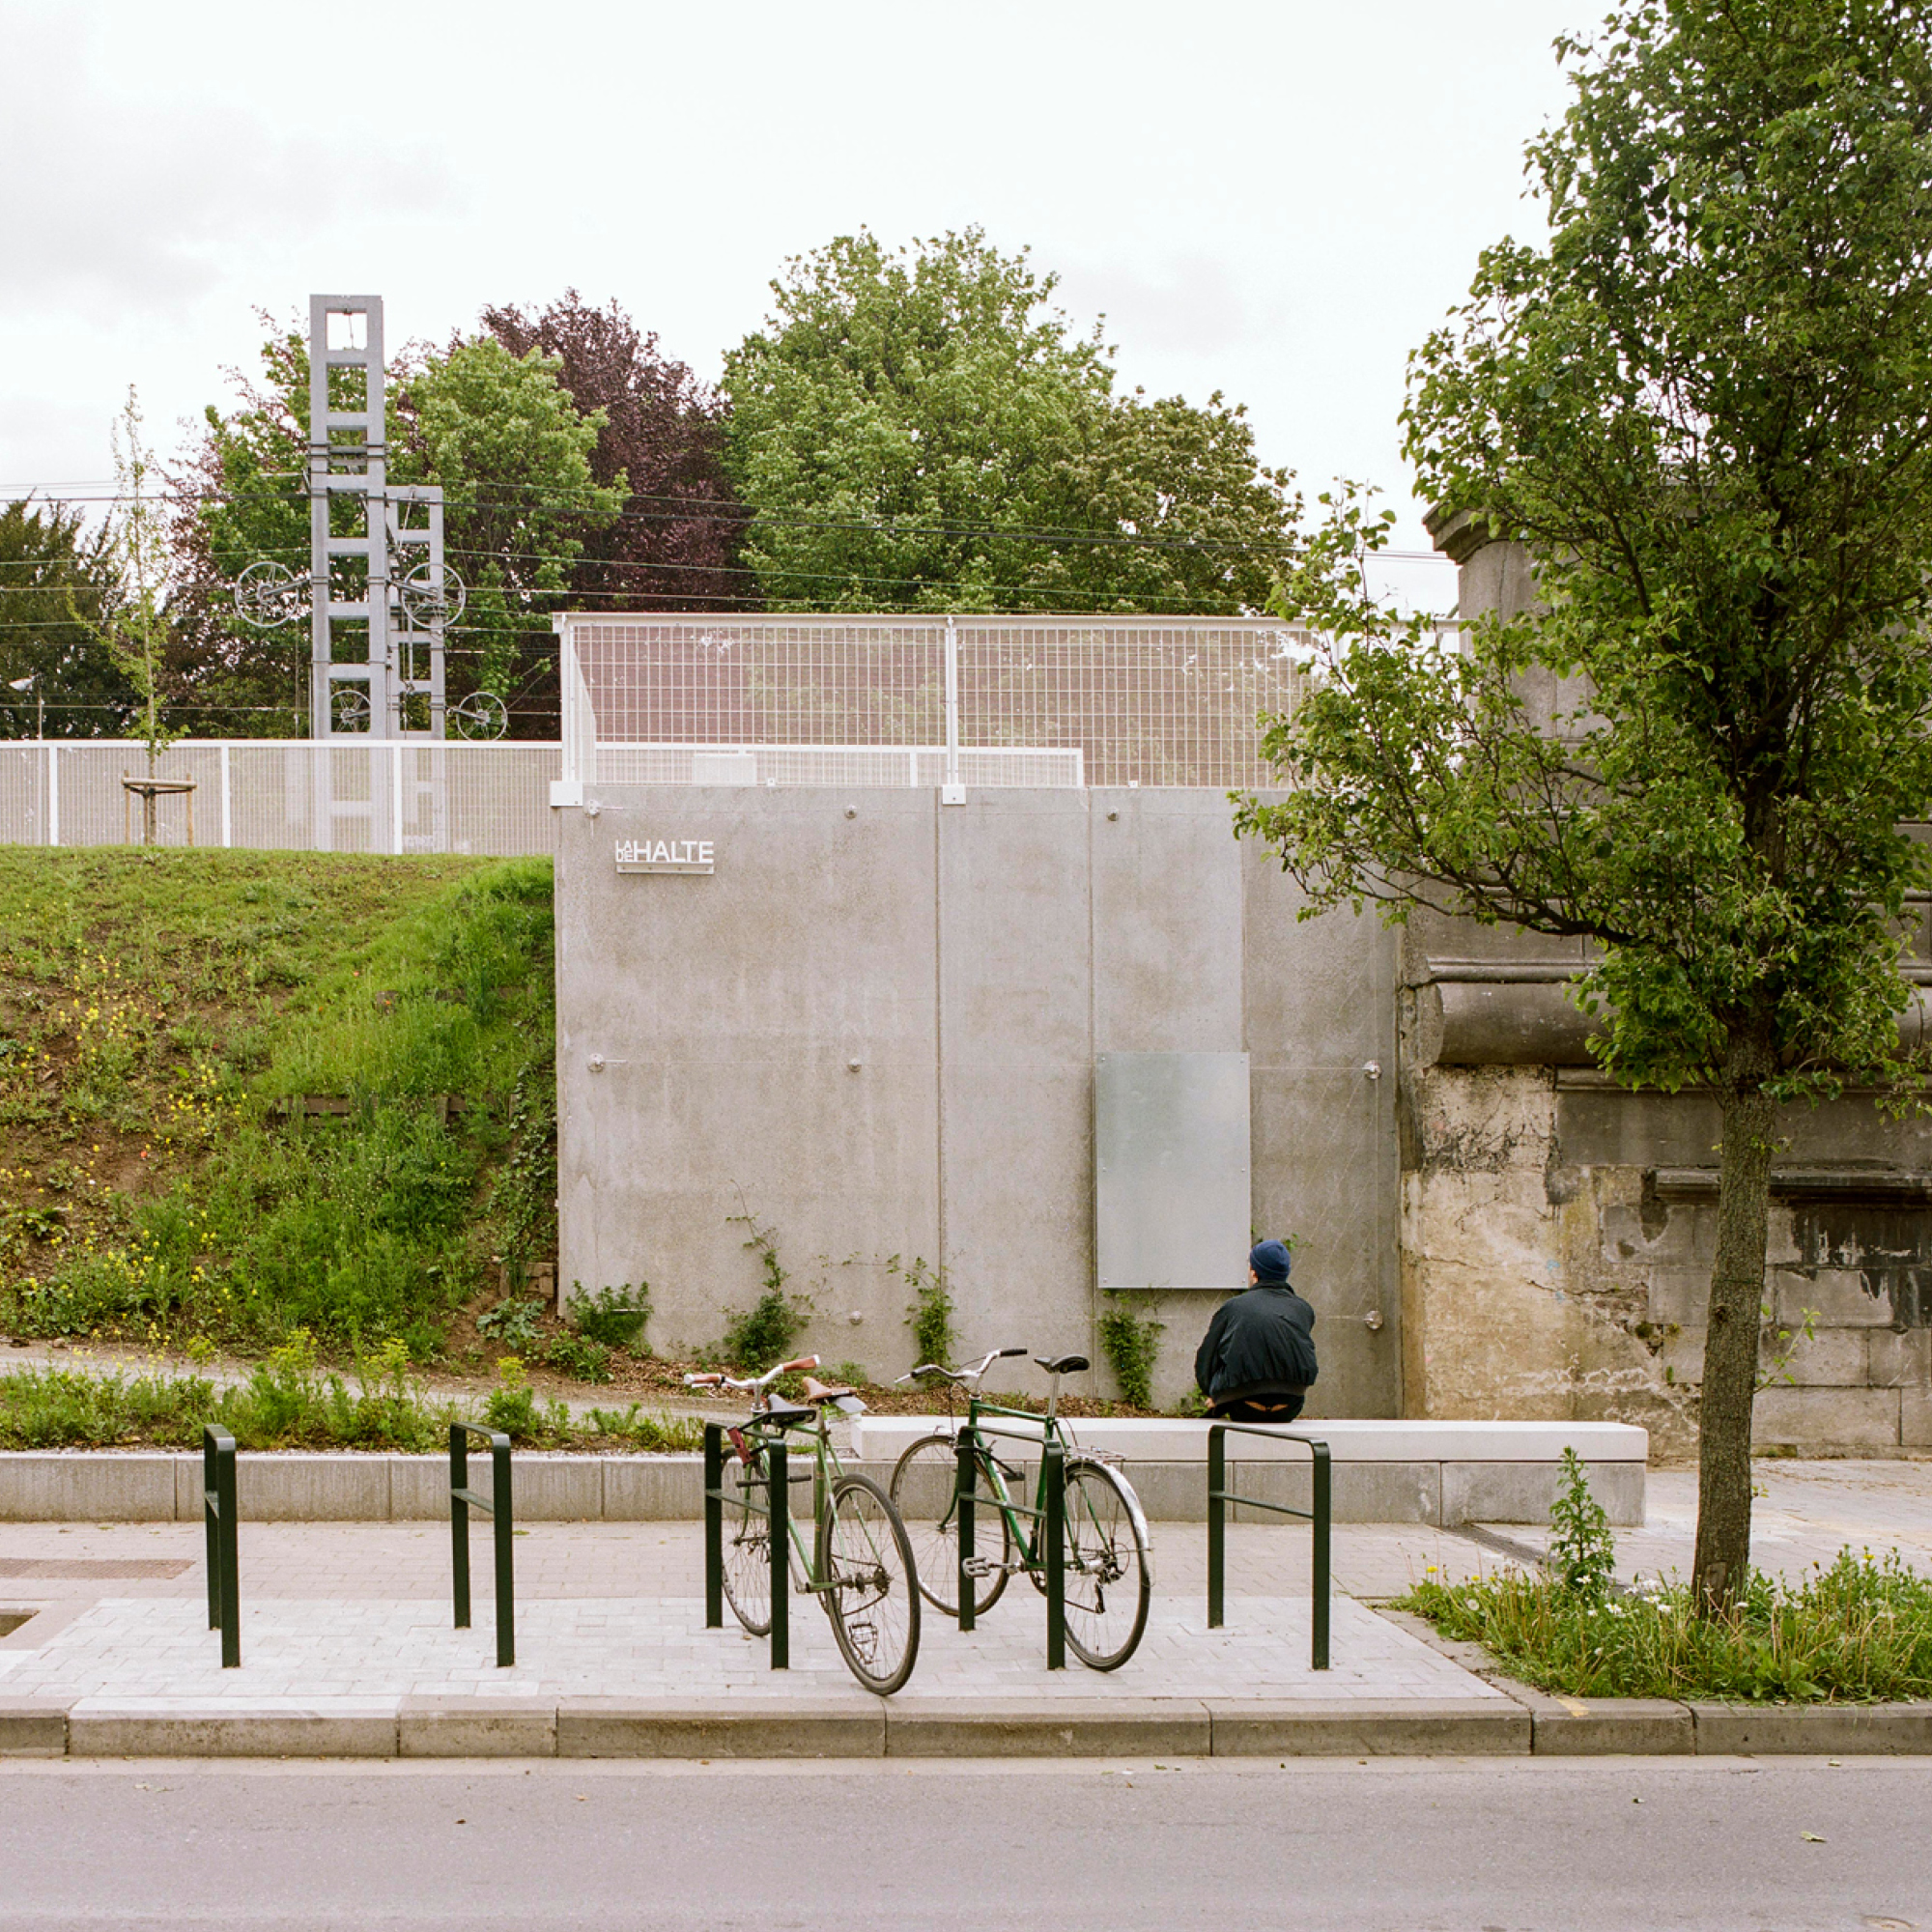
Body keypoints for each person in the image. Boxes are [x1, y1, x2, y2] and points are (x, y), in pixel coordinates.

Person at [1193, 1239, 1318, 1422]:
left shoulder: (1234, 1307)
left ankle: (1218, 1400)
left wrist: (1214, 1391)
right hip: (1290, 1407)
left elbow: (1206, 1359)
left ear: (1253, 1273)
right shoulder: (1303, 1309)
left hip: (1243, 1407)